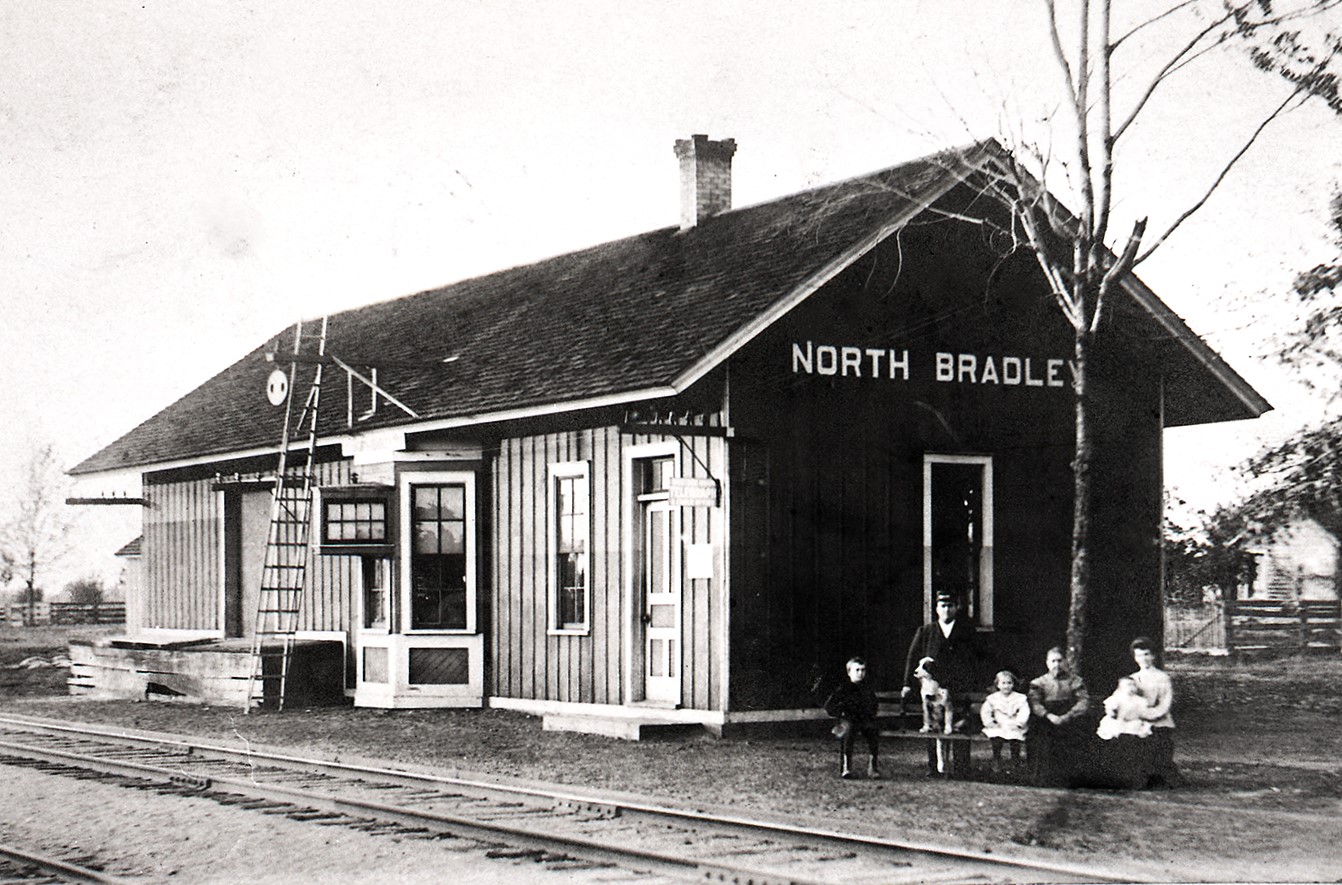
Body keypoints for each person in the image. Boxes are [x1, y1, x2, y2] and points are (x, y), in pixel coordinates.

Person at [902, 591, 981, 775]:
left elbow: (977, 658)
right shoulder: (926, 631)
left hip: (960, 686)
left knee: (960, 723)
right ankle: (934, 767)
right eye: (943, 606)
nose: (946, 609)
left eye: (950, 606)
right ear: (937, 609)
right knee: (934, 720)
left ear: (956, 608)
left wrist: (974, 682)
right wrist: (907, 683)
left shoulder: (967, 631)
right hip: (933, 687)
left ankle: (961, 768)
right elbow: (912, 657)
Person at [1027, 646, 1090, 786]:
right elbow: (1035, 703)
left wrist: (1067, 716)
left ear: (1066, 661)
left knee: (1075, 738)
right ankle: (1045, 779)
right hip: (1046, 719)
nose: (1056, 664)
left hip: (1070, 718)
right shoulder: (1038, 682)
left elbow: (1083, 701)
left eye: (1060, 660)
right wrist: (1049, 716)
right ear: (1047, 663)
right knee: (1043, 739)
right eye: (1053, 661)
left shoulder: (1076, 681)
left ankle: (1071, 779)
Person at [1127, 636, 1181, 788]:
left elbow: (1165, 703)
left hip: (1160, 721)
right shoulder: (1133, 678)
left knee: (1158, 743)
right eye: (1139, 655)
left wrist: (1150, 716)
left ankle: (1160, 775)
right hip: (1139, 721)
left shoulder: (1162, 678)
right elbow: (1128, 702)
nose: (1143, 659)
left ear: (1153, 656)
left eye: (1146, 654)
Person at [823, 656, 881, 779]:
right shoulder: (843, 688)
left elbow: (874, 704)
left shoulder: (867, 688)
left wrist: (870, 714)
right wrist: (841, 713)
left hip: (864, 719)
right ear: (849, 672)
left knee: (873, 730)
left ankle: (873, 767)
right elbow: (829, 706)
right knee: (848, 731)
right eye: (857, 670)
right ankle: (847, 766)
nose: (860, 673)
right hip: (847, 720)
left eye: (863, 670)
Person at [980, 670, 1029, 772]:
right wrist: (990, 723)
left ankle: (1015, 760)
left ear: (1013, 684)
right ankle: (996, 758)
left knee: (1015, 738)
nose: (1006, 686)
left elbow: (1024, 711)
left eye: (1009, 683)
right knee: (996, 737)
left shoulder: (1020, 698)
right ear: (997, 685)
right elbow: (985, 712)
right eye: (1003, 683)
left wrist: (1019, 723)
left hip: (1014, 724)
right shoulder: (993, 698)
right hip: (999, 725)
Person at [1096, 677, 1153, 741]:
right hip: (1117, 724)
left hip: (1132, 726)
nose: (1132, 687)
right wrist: (1113, 713)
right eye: (1128, 685)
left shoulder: (1141, 701)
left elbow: (1145, 716)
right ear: (1121, 687)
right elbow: (1110, 711)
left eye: (1133, 685)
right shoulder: (1116, 698)